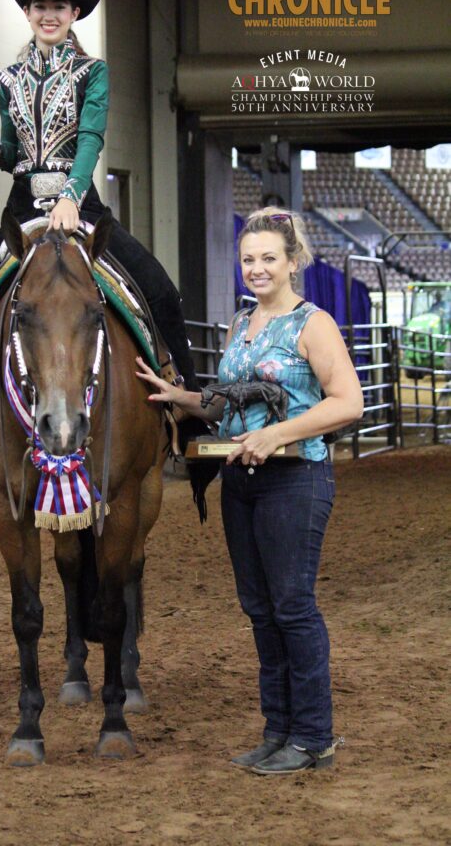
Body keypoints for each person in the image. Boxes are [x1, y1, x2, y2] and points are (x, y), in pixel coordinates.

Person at [0, 0, 199, 476]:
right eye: (39, 6)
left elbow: (90, 138)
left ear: (74, 13)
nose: (49, 15)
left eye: (58, 7)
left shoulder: (93, 72)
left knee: (160, 291)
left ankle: (188, 408)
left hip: (80, 206)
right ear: (27, 13)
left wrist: (71, 193)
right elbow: (15, 152)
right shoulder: (7, 80)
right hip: (23, 213)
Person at [136, 207, 364, 775]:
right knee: (261, 610)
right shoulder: (243, 325)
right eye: (248, 260)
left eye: (268, 259)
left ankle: (314, 737)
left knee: (292, 607)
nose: (256, 269)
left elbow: (348, 403)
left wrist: (277, 433)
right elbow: (229, 399)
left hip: (295, 478)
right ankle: (278, 731)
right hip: (241, 479)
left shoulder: (313, 324)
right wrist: (182, 397)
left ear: (292, 262)